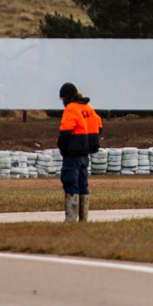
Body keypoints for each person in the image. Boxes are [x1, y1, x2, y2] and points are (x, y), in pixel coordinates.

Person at [56, 82, 102, 222]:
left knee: (71, 182)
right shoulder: (89, 108)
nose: (62, 102)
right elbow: (99, 126)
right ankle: (83, 218)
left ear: (67, 97)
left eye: (62, 98)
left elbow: (66, 132)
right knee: (83, 184)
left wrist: (61, 147)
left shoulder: (71, 109)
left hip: (73, 154)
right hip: (85, 154)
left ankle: (70, 219)